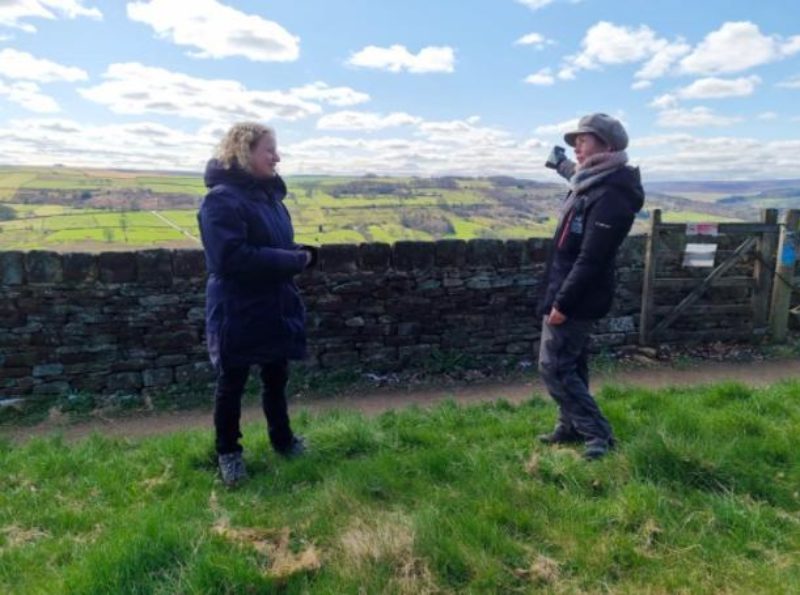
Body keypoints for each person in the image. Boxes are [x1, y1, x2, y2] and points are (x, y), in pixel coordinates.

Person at [198, 122, 317, 486]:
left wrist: (300, 252)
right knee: (232, 383)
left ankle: (283, 441)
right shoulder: (221, 199)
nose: (277, 156)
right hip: (238, 306)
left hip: (274, 302)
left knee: (276, 378)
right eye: (270, 149)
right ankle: (229, 455)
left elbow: (272, 244)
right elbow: (230, 258)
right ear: (245, 152)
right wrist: (293, 262)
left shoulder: (270, 199)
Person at [538, 113, 644, 460]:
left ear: (607, 145)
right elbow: (576, 174)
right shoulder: (593, 180)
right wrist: (561, 165)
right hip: (566, 286)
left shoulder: (614, 195)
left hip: (577, 294)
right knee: (572, 363)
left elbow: (592, 258)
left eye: (584, 139)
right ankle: (570, 426)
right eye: (575, 141)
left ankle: (597, 434)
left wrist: (562, 303)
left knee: (553, 367)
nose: (577, 146)